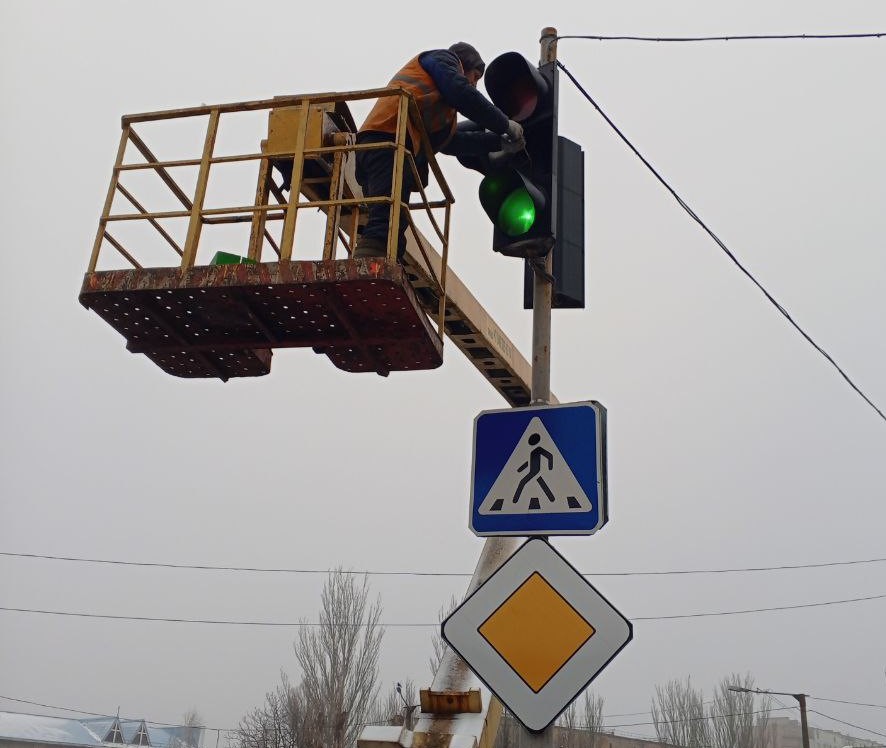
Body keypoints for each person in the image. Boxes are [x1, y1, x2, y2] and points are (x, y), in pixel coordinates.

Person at [353, 42, 525, 260]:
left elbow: (453, 143)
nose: (474, 84)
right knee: (384, 220)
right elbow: (461, 92)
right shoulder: (442, 59)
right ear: (464, 64)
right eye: (475, 76)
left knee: (394, 220)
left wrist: (498, 143)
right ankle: (372, 263)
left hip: (392, 146)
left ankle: (386, 262)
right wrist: (504, 124)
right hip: (386, 139)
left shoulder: (440, 105)